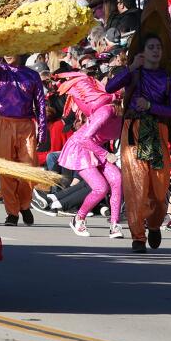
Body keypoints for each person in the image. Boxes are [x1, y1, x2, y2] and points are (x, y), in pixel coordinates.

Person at [106, 33, 171, 251]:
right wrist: (130, 69)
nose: (156, 50)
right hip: (133, 133)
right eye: (151, 47)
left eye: (158, 47)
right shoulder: (134, 74)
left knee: (159, 192)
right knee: (135, 187)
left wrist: (150, 106)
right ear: (143, 51)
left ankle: (155, 224)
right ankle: (137, 236)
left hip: (158, 133)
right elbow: (109, 88)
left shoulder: (169, 79)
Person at [54, 69, 125, 238]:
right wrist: (106, 155)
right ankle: (78, 219)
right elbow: (84, 138)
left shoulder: (126, 115)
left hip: (97, 149)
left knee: (117, 179)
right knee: (101, 188)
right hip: (80, 149)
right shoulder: (107, 111)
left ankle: (114, 225)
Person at [0, 55, 46, 226]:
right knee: (6, 169)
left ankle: (24, 205)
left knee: (29, 168)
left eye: (13, 50)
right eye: (6, 50)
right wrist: (4, 43)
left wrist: (42, 131)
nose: (9, 53)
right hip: (4, 123)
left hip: (26, 125)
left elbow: (40, 104)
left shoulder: (32, 75)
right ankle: (12, 213)